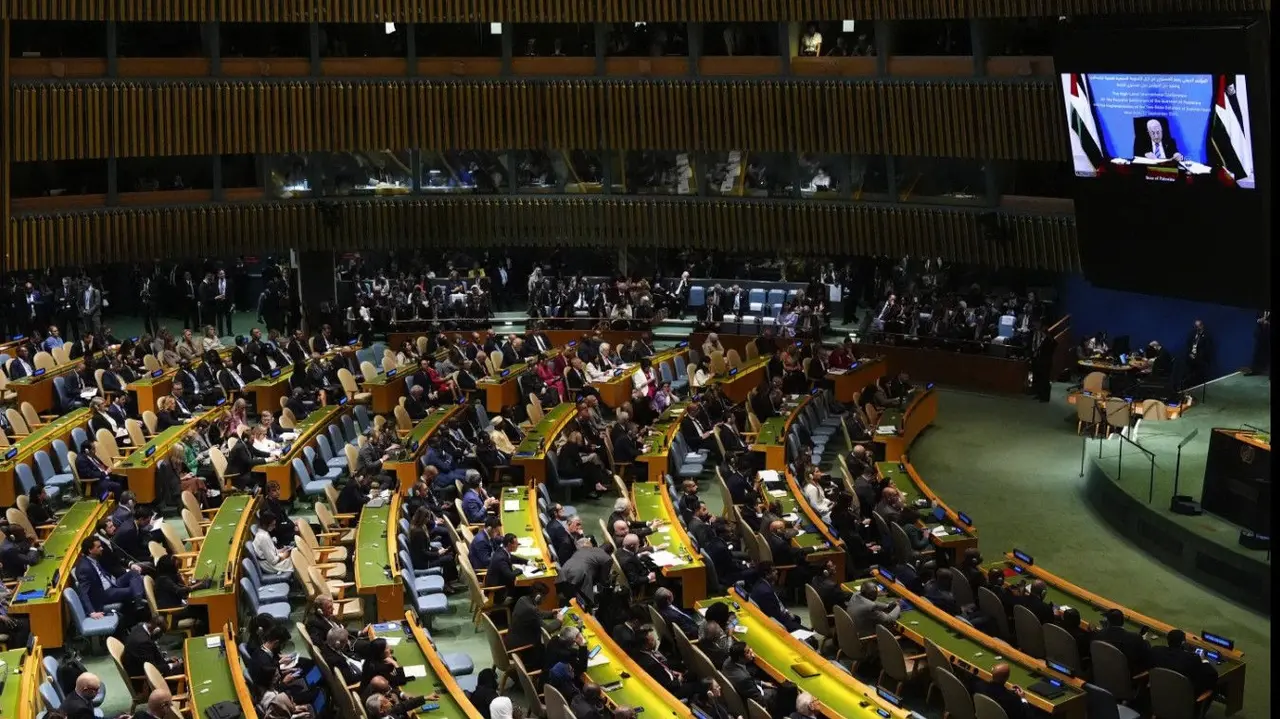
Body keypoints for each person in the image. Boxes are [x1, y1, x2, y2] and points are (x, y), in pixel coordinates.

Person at [73, 536, 146, 617]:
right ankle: (140, 605)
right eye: (98, 547)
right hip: (105, 593)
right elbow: (83, 592)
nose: (102, 548)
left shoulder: (93, 558)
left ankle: (138, 602)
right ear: (90, 550)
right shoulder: (84, 568)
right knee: (134, 589)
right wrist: (92, 612)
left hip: (112, 583)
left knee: (134, 573)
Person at [1150, 629, 1219, 696]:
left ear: (1168, 640)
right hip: (1181, 698)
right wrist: (1204, 660)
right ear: (1183, 643)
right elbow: (1213, 674)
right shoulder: (1192, 659)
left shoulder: (1156, 650)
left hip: (1156, 693)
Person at [721, 642, 776, 708]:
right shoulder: (744, 678)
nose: (751, 651)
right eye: (748, 652)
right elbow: (760, 700)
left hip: (742, 686)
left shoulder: (728, 661)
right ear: (740, 658)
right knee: (775, 690)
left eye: (750, 649)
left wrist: (762, 683)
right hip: (749, 701)